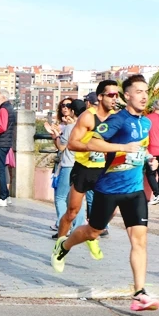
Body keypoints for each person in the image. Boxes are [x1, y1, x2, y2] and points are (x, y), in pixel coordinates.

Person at [51, 75, 159, 312]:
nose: (143, 96)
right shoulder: (117, 121)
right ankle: (64, 246)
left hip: (134, 190)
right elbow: (92, 142)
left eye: (146, 91)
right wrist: (121, 147)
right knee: (92, 232)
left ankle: (139, 293)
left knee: (140, 241)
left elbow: (139, 149)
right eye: (138, 91)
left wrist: (150, 159)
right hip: (108, 189)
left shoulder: (146, 123)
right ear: (127, 96)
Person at [58, 80, 123, 255]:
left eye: (117, 95)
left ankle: (91, 235)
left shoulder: (117, 118)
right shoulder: (88, 116)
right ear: (100, 97)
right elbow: (71, 144)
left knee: (112, 211)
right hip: (85, 169)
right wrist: (92, 146)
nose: (114, 98)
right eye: (111, 95)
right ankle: (60, 246)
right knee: (72, 212)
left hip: (105, 172)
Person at [52, 99, 88, 232]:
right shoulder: (87, 127)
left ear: (73, 111)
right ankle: (78, 228)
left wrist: (55, 136)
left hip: (68, 165)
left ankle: (63, 227)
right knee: (77, 200)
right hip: (82, 165)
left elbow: (62, 147)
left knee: (61, 197)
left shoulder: (70, 128)